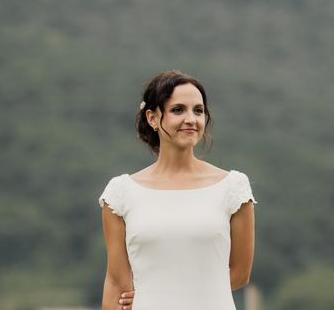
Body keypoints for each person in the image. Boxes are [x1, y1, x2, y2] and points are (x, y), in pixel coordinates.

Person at [98, 70, 257, 310]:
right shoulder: (120, 194)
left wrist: (163, 297)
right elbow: (115, 281)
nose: (191, 119)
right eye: (178, 110)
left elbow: (239, 273)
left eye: (198, 110)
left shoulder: (233, 188)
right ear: (152, 118)